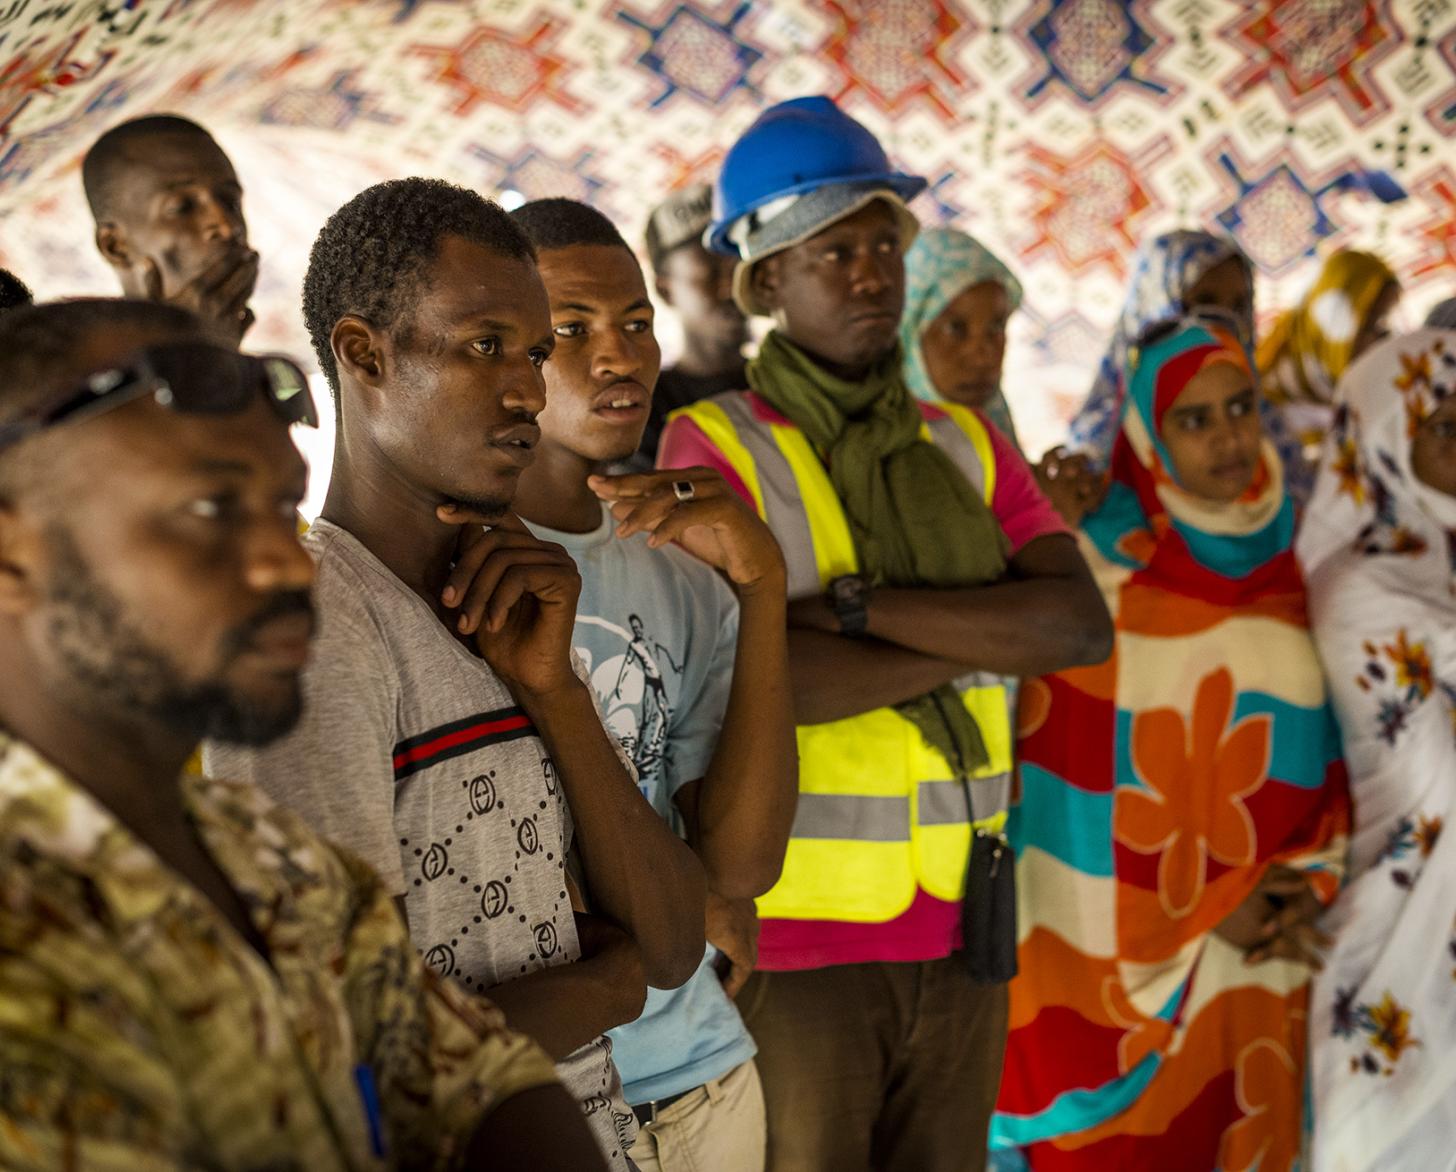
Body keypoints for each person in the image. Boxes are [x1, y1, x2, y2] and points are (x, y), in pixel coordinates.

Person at [0, 298, 608, 1170]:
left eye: (282, 503)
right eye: (211, 510)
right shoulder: (25, 946)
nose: (286, 562)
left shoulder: (264, 856)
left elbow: (482, 1080)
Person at [204, 178, 707, 1169]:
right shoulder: (309, 624)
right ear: (362, 354)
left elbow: (668, 943)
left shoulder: (496, 604)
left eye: (532, 352)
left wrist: (554, 690)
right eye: (484, 347)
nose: (526, 388)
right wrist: (599, 989)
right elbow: (352, 1053)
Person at [658, 95, 1114, 1172]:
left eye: (882, 246)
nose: (871, 274)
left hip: (963, 915)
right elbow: (762, 680)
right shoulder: (710, 444)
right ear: (764, 280)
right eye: (833, 252)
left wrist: (856, 611)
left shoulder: (964, 442)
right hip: (802, 933)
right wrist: (985, 634)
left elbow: (1072, 623)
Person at [991, 319, 1351, 1171]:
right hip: (1127, 980)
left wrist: (1311, 877)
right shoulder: (1100, 565)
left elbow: (1335, 749)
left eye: (1239, 408)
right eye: (1193, 420)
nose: (1227, 436)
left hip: (1264, 965)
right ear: (1147, 433)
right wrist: (1209, 910)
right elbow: (1056, 790)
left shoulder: (1302, 554)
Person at [509, 196, 798, 1172]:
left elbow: (745, 866)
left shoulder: (680, 567)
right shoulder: (463, 564)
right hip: (537, 1090)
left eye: (635, 322)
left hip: (699, 1068)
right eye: (570, 331)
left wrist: (758, 584)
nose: (618, 355)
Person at [1297, 328, 1456, 1172]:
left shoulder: (1440, 563)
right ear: (1387, 435)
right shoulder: (1359, 586)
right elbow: (1435, 777)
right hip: (1393, 923)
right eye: (1447, 431)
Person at [899, 225, 1101, 526]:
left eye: (996, 328)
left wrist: (1053, 491)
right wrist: (1045, 519)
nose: (983, 355)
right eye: (956, 329)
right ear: (913, 331)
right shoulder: (892, 448)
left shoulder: (994, 431)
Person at [1067, 230, 1255, 468]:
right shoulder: (1099, 451)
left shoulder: (1264, 424)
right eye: (1205, 303)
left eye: (1238, 306)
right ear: (1156, 306)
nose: (1224, 324)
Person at [83, 115, 259, 343]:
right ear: (115, 247)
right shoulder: (79, 365)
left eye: (231, 202)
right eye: (182, 208)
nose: (227, 227)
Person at [1257, 248, 1400, 507]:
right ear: (1335, 321)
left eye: (1384, 326)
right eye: (1371, 325)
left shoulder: (1367, 396)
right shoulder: (1262, 409)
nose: (1383, 342)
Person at [633, 184, 748, 467]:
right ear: (666, 291)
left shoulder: (786, 382)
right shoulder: (643, 409)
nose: (729, 288)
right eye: (707, 274)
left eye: (738, 268)